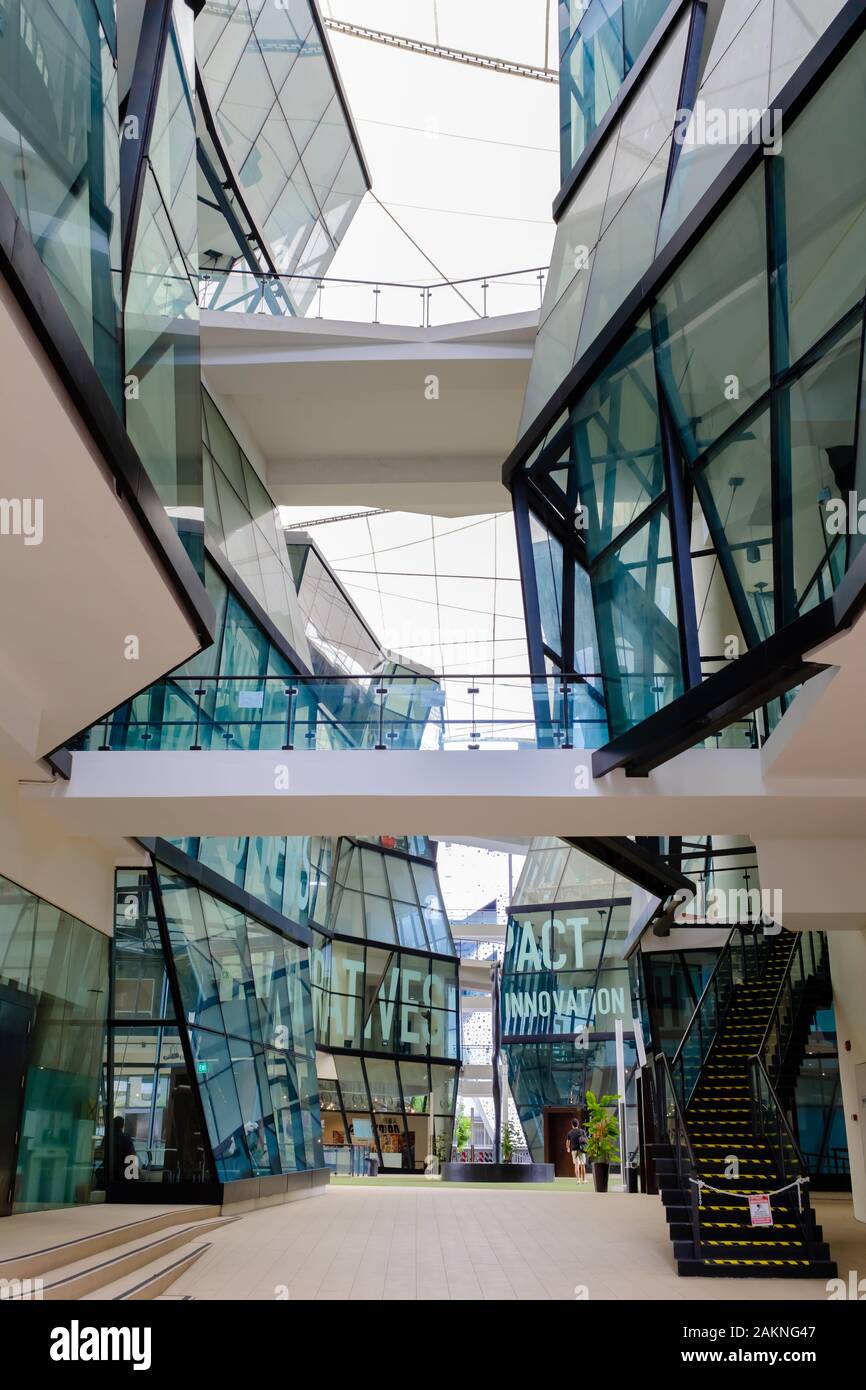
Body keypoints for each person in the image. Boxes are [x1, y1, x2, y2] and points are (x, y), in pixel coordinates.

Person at [111, 1114, 138, 1183]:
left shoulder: (108, 1137)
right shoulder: (126, 1138)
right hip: (123, 1171)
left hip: (110, 1171)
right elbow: (132, 1155)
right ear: (123, 1126)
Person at [566, 1116, 587, 1183]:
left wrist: (568, 1148)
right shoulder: (582, 1131)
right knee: (583, 1164)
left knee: (576, 1165)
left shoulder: (570, 1132)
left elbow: (567, 1141)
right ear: (578, 1124)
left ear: (572, 1125)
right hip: (581, 1150)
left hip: (574, 1150)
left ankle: (578, 1180)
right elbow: (586, 1140)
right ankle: (584, 1180)